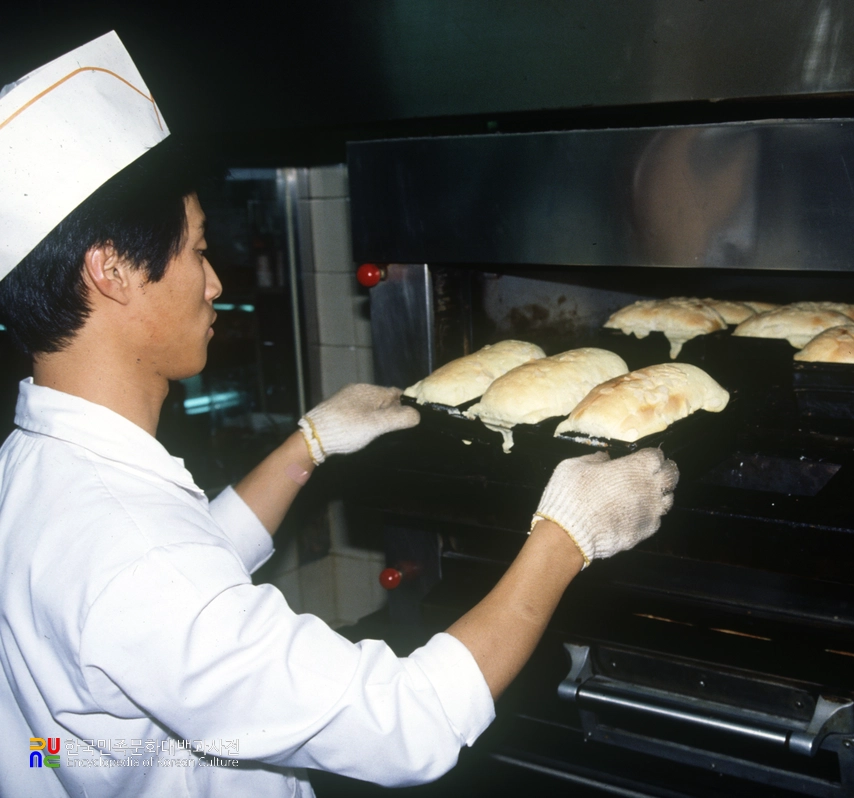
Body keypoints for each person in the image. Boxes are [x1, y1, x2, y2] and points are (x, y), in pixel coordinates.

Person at [0, 33, 679, 797]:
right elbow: (407, 723)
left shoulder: (33, 471)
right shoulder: (132, 553)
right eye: (197, 250)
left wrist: (307, 446)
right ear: (112, 271)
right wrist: (568, 537)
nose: (216, 282)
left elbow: (164, 596)